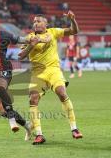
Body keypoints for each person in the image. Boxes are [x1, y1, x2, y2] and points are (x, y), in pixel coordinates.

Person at [18, 11, 83, 145]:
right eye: (34, 21)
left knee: (61, 92)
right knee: (33, 98)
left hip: (53, 70)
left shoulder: (53, 32)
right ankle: (39, 135)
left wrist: (73, 19)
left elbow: (74, 31)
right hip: (38, 73)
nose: (36, 23)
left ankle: (74, 128)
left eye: (39, 21)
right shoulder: (29, 37)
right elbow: (21, 56)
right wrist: (32, 44)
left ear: (46, 24)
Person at [0, 14, 41, 134]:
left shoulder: (2, 35)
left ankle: (11, 119)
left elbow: (20, 39)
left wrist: (32, 40)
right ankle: (28, 126)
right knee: (0, 109)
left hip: (3, 70)